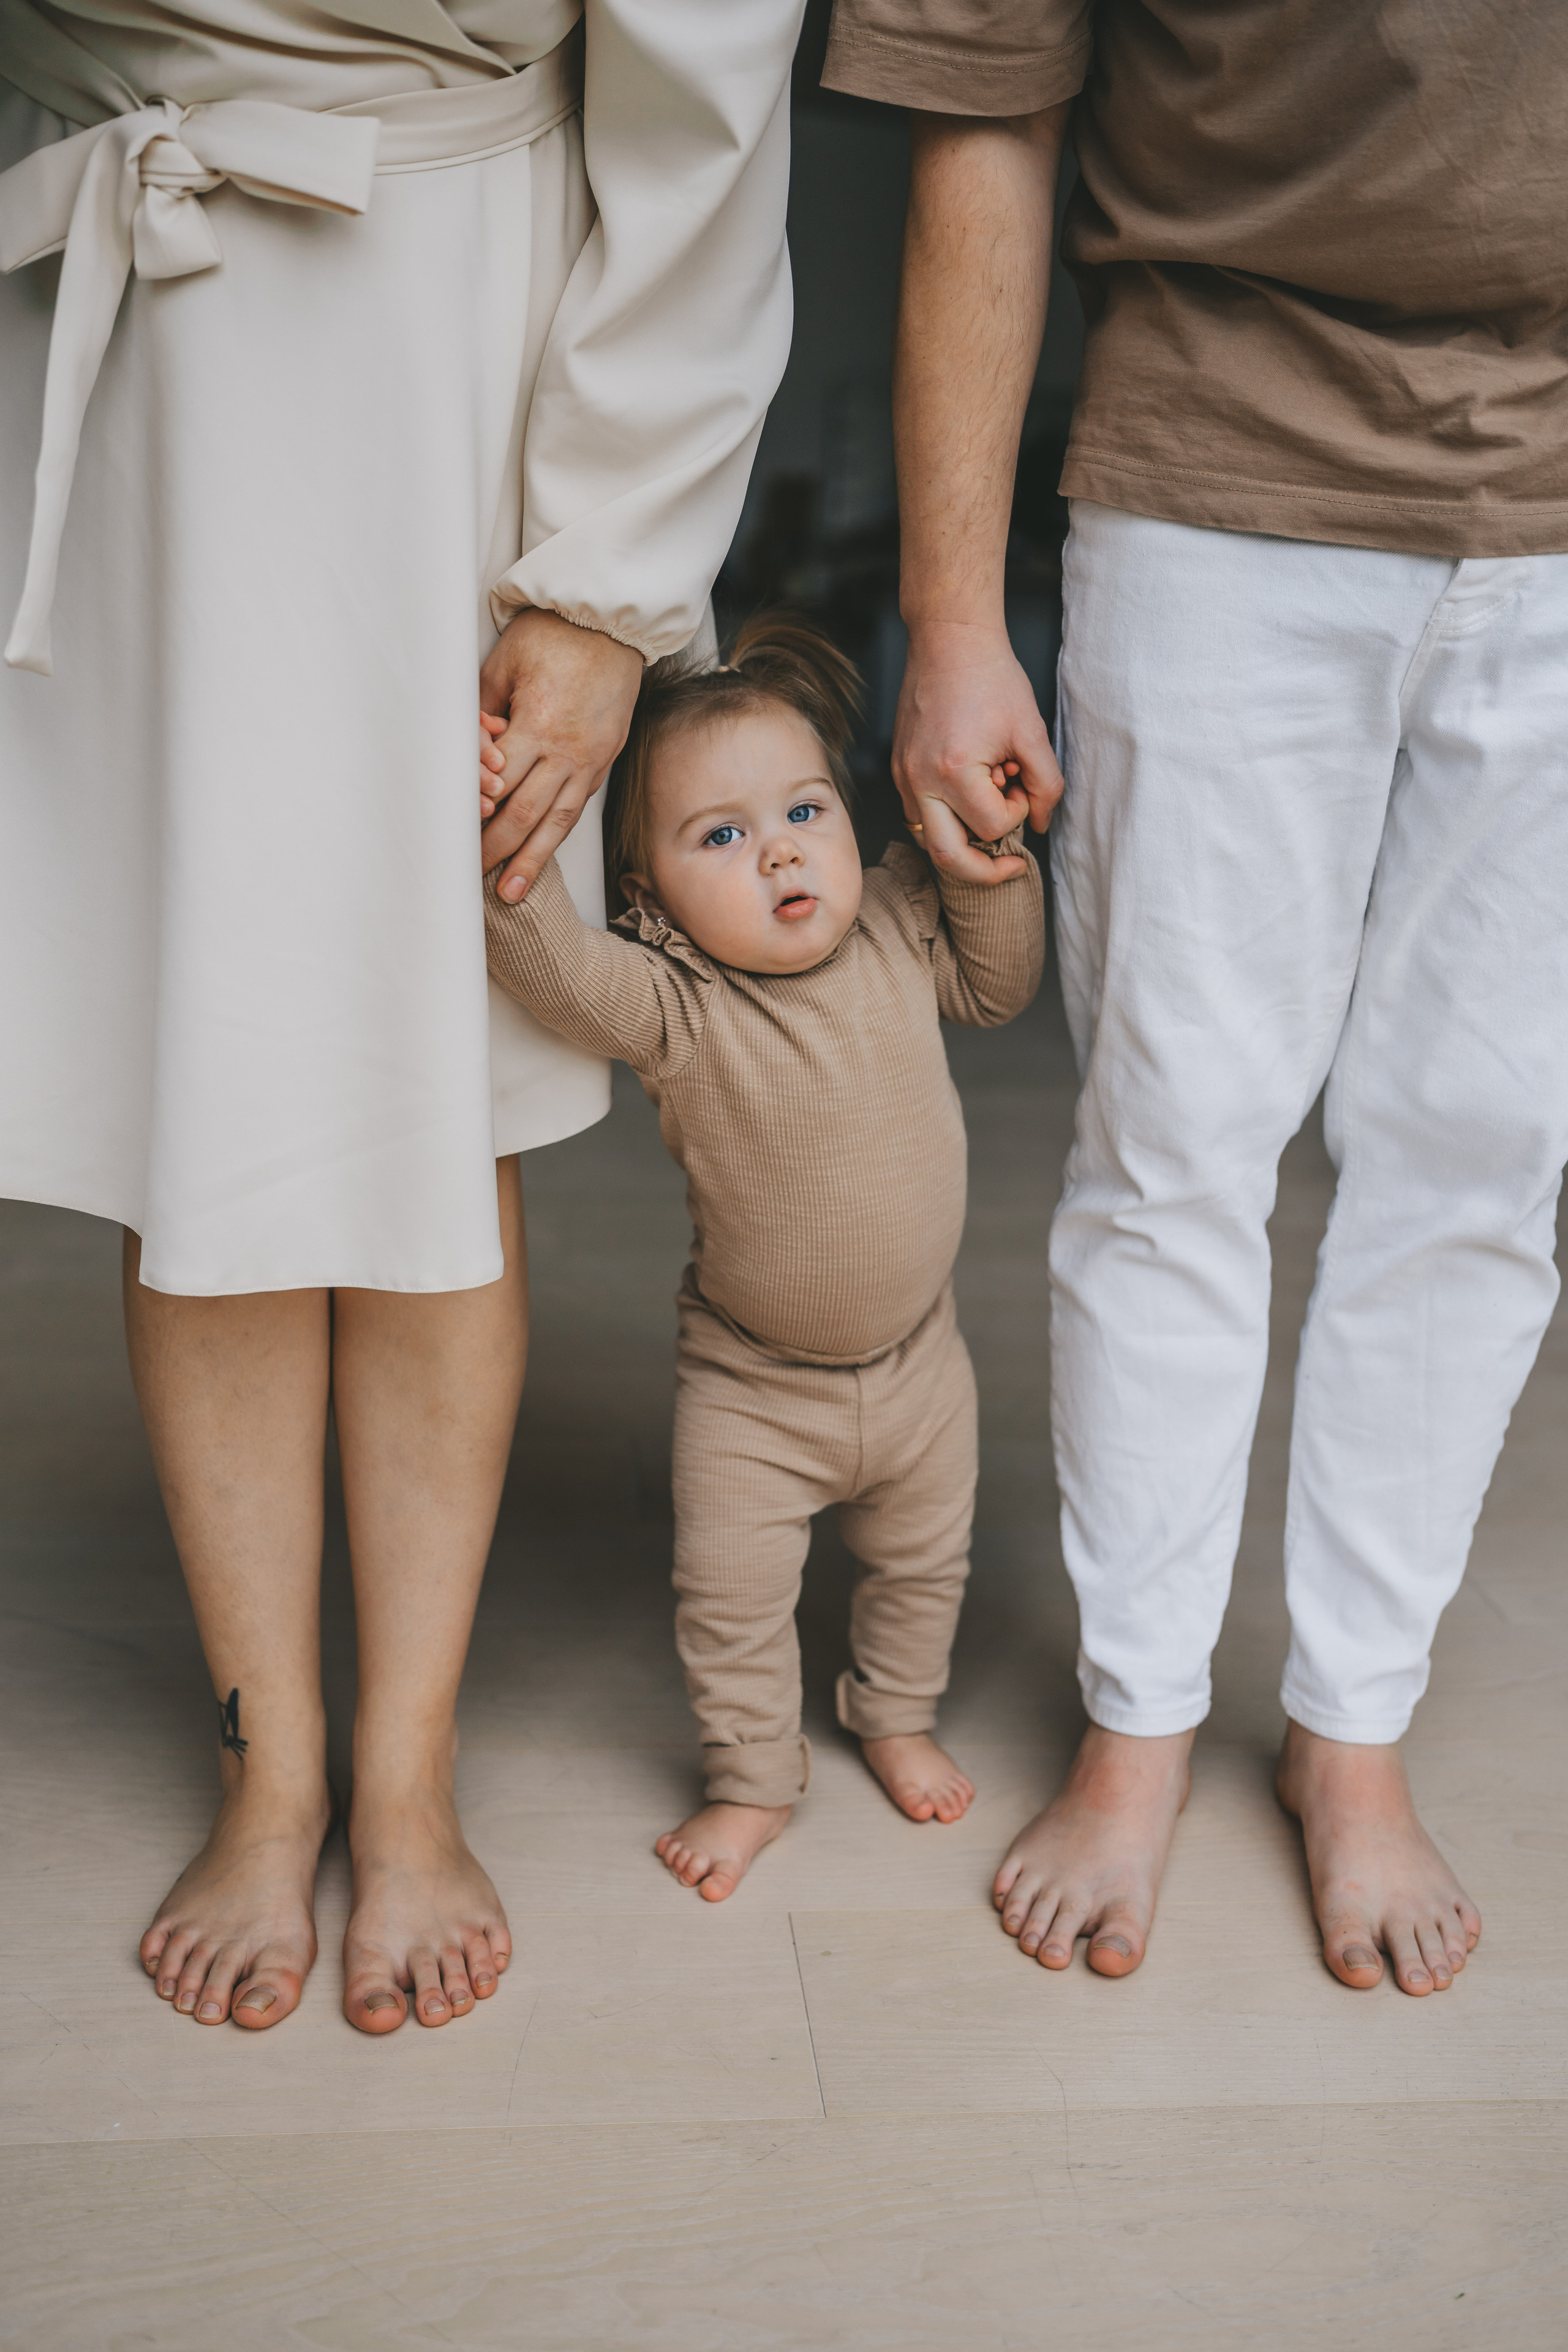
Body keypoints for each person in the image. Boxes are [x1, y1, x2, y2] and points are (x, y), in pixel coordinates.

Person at [0, 0, 803, 2031]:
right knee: (206, 1085)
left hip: (439, 342)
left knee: (423, 1081)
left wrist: (609, 571)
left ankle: (407, 1771)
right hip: (111, 307)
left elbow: (707, 79)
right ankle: (268, 1771)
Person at [822, 0, 1568, 1994]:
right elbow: (983, 106)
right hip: (1220, 466)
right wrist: (953, 617)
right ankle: (1137, 1724)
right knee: (1175, 1151)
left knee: (1482, 1159)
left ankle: (1353, 1734)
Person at [483, 615, 1044, 1898]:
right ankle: (750, 1779)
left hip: (922, 1367)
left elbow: (1002, 985)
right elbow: (546, 965)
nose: (781, 848)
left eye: (803, 811)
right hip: (753, 1391)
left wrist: (984, 860)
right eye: (721, 837)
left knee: (925, 1570)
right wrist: (501, 827)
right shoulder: (674, 1001)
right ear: (648, 901)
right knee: (730, 1603)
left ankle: (893, 1713)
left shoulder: (898, 921)